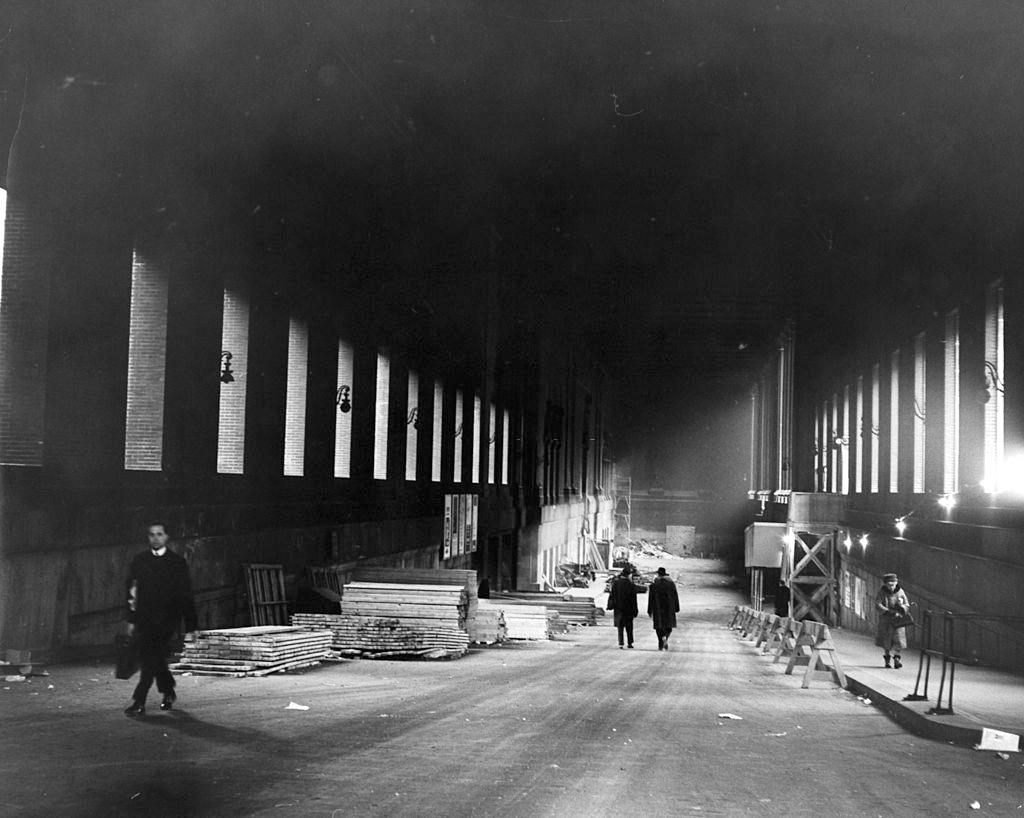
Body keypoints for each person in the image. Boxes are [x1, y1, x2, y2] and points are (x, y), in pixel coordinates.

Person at [123, 523, 198, 716]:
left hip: (167, 620)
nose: (155, 538)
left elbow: (185, 594)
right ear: (148, 537)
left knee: (150, 658)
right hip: (145, 618)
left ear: (166, 537)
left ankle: (139, 699)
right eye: (151, 535)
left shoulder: (176, 562)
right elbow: (132, 592)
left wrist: (191, 624)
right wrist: (131, 619)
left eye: (159, 534)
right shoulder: (140, 561)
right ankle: (168, 690)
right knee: (154, 658)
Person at [875, 572, 910, 669]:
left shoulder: (900, 592)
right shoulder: (882, 592)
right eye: (889, 585)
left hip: (898, 619)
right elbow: (878, 604)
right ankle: (887, 660)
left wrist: (902, 607)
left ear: (896, 583)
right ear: (885, 584)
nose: (891, 587)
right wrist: (886, 611)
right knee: (886, 640)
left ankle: (897, 658)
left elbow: (907, 604)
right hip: (886, 619)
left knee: (899, 639)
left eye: (893, 585)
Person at [606, 566, 639, 649]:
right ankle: (630, 643)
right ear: (629, 575)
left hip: (619, 608)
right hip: (629, 609)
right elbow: (634, 599)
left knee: (620, 627)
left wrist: (610, 605)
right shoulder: (631, 585)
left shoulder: (616, 583)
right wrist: (635, 610)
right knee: (629, 627)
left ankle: (621, 643)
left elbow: (612, 595)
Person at [647, 566, 680, 650]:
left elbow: (651, 599)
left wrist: (649, 610)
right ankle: (665, 637)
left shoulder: (654, 585)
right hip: (669, 608)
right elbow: (675, 596)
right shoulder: (671, 584)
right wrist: (676, 607)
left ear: (658, 575)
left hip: (657, 608)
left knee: (659, 627)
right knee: (669, 627)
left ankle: (660, 644)